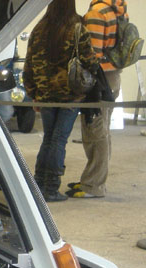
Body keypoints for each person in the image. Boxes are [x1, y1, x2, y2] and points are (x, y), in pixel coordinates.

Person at [23, 0, 98, 202]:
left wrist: (33, 92)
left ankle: (39, 184)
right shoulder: (77, 28)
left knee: (49, 138)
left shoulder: (39, 28)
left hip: (45, 94)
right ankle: (51, 188)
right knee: (58, 140)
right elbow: (89, 61)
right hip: (70, 94)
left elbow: (29, 65)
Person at [66, 0, 127, 199]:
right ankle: (94, 179)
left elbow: (91, 54)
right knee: (103, 130)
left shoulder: (97, 13)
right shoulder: (118, 9)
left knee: (95, 132)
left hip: (98, 80)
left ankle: (93, 185)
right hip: (113, 77)